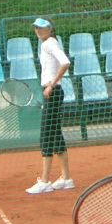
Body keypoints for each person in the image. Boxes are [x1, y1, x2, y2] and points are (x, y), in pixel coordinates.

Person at [25, 17, 75, 194]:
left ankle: (45, 181)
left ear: (50, 29)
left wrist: (51, 85)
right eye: (36, 28)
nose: (38, 31)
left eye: (41, 28)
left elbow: (65, 62)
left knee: (46, 135)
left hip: (52, 91)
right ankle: (66, 178)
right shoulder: (47, 43)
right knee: (55, 136)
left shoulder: (50, 44)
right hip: (52, 92)